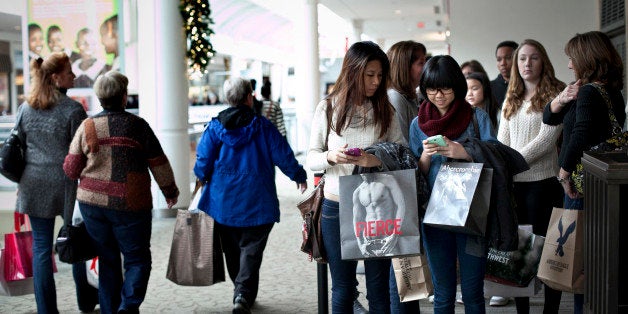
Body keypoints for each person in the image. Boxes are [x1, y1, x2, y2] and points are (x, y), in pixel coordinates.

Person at [63, 71, 180, 313]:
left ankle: (110, 309)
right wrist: (169, 191)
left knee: (107, 259)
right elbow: (159, 162)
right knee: (137, 259)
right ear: (124, 97)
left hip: (93, 205)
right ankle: (128, 307)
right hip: (131, 204)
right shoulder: (138, 126)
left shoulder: (87, 127)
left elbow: (72, 170)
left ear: (99, 97)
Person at [306, 41, 405, 314]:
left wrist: (377, 160)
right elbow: (311, 157)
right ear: (353, 71)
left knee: (378, 288)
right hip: (337, 205)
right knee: (343, 289)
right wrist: (330, 157)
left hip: (379, 206)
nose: (376, 82)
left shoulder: (386, 109)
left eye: (380, 75)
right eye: (369, 75)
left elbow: (402, 153)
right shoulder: (328, 108)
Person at [194, 77, 307, 314]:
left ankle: (242, 293)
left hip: (223, 202)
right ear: (249, 97)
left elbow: (203, 159)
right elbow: (282, 154)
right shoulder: (263, 127)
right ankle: (243, 294)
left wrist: (200, 176)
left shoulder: (214, 127)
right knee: (252, 249)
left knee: (233, 250)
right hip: (258, 201)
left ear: (228, 99)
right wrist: (298, 175)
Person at [543, 31, 625, 314]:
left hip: (581, 184)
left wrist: (563, 174)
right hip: (603, 184)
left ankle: (582, 310)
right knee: (596, 256)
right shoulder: (611, 91)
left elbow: (578, 136)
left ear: (586, 58)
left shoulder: (590, 92)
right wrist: (562, 98)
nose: (568, 64)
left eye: (571, 58)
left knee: (579, 256)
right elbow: (549, 117)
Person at [409, 55, 497, 313]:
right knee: (443, 293)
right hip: (434, 214)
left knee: (472, 292)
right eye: (431, 89)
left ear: (456, 86)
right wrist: (425, 155)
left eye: (445, 88)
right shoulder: (418, 123)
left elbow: (496, 157)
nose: (438, 95)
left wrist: (463, 151)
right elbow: (416, 174)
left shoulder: (476, 118)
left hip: (472, 212)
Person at [15, 52, 97, 313]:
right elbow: (84, 151)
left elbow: (18, 146)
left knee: (41, 248)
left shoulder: (25, 108)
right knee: (75, 240)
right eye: (68, 71)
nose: (73, 75)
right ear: (55, 77)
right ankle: (85, 301)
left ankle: (46, 310)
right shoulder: (73, 109)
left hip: (33, 184)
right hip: (67, 186)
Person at [497, 39, 566, 313]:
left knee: (548, 254)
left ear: (543, 61)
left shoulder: (554, 95)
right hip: (516, 187)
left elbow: (546, 141)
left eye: (533, 57)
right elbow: (502, 141)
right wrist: (505, 164)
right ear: (516, 64)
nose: (527, 63)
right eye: (522, 58)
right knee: (520, 254)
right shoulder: (511, 98)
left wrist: (510, 163)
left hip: (543, 185)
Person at [385, 39, 426, 313]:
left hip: (410, 183)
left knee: (409, 264)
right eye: (420, 62)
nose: (424, 67)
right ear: (404, 65)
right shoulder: (396, 98)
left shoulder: (412, 96)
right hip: (402, 185)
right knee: (402, 265)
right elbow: (403, 149)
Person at [387, 40, 427, 142]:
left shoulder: (411, 96)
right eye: (421, 63)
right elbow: (403, 143)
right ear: (405, 67)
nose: (426, 68)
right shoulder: (394, 97)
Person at [490, 41, 519, 109]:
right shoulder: (489, 87)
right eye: (499, 59)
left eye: (508, 58)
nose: (503, 63)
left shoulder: (528, 85)